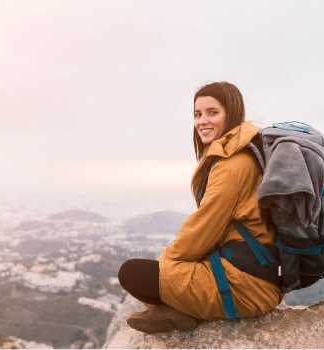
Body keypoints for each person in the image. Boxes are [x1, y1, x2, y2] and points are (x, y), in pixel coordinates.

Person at [117, 81, 284, 334]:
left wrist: (163, 267)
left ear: (232, 113)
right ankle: (178, 310)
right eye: (197, 114)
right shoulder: (245, 151)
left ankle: (179, 308)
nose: (202, 121)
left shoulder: (233, 163)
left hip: (247, 284)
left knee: (133, 274)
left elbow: (202, 231)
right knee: (152, 280)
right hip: (254, 272)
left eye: (212, 112)